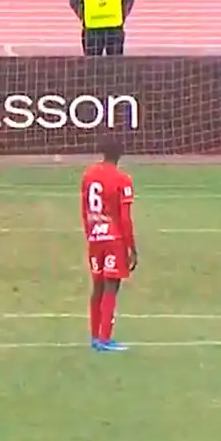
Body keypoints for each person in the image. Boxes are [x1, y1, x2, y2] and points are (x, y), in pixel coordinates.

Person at [81, 138, 138, 352]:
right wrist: (131, 246)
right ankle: (105, 339)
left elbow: (84, 208)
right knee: (111, 286)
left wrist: (90, 234)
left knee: (97, 286)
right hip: (114, 238)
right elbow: (125, 217)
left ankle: (95, 336)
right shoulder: (122, 179)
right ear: (120, 155)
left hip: (95, 235)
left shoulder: (89, 175)